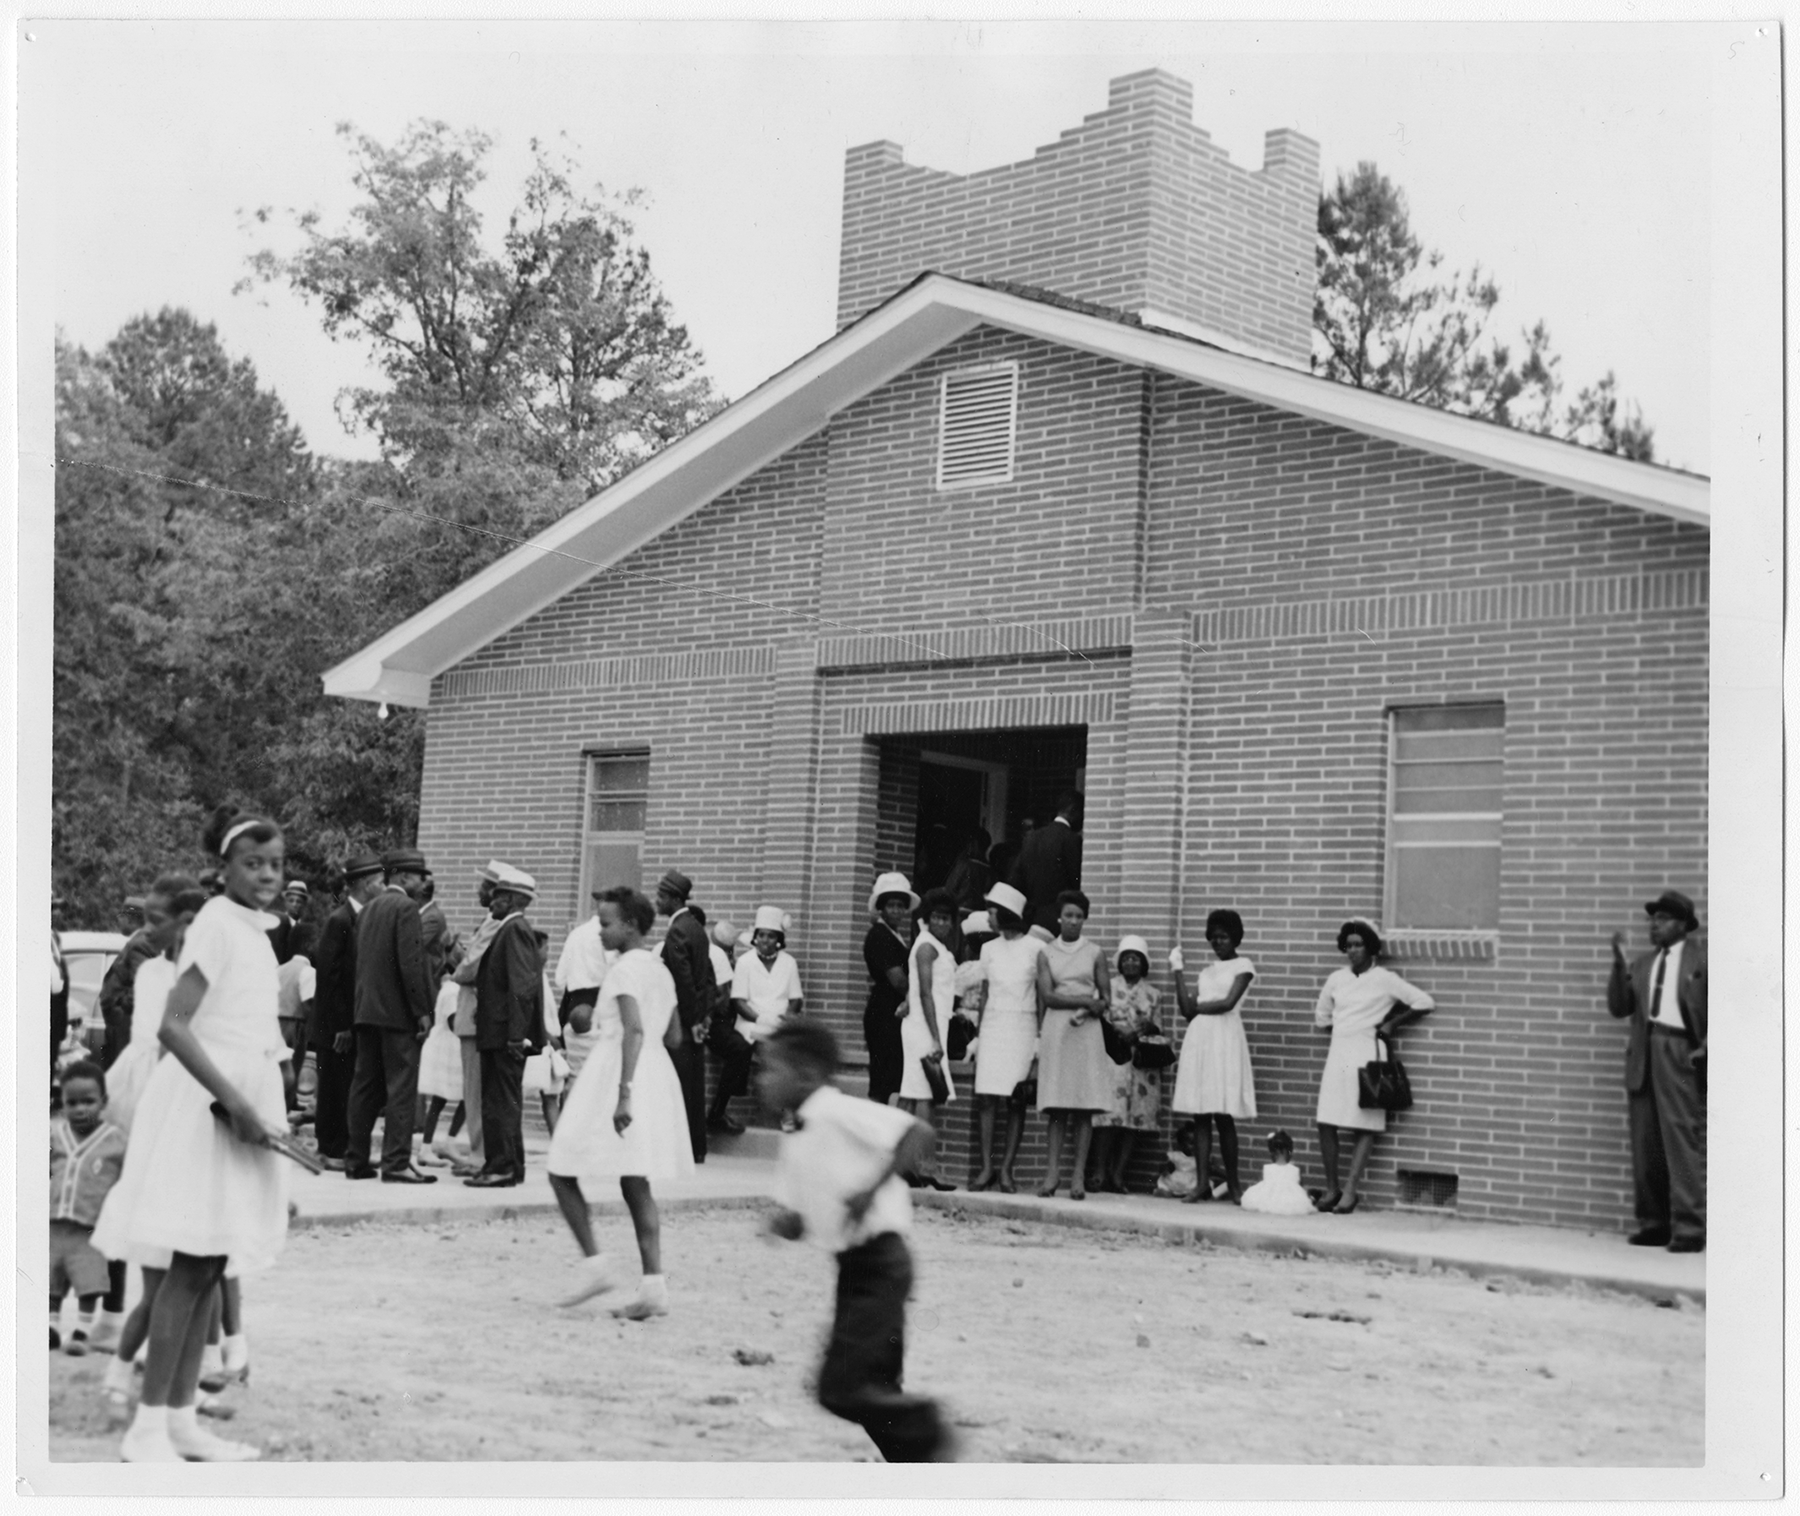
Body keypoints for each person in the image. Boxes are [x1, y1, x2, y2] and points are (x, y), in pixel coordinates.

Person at [91, 805, 293, 1462]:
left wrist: (262, 1105)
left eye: (275, 864)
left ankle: (180, 1420)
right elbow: (175, 1027)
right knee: (187, 1267)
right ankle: (148, 1427)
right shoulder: (214, 924)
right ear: (223, 868)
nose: (266, 875)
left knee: (210, 1264)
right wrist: (234, 1101)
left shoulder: (255, 933)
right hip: (204, 1107)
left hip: (241, 1103)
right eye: (252, 863)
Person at [758, 1019, 952, 1463]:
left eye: (771, 1069)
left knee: (839, 1389)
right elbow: (803, 1221)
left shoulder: (837, 1111)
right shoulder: (797, 1133)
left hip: (883, 1265)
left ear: (806, 1073)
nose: (761, 1080)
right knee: (876, 1391)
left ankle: (928, 1425)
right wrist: (783, 1225)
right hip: (855, 1270)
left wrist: (871, 1189)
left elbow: (917, 1133)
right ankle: (919, 1472)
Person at [549, 886, 694, 1319]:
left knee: (561, 1165)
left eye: (606, 922)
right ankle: (653, 1286)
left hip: (618, 1071)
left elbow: (632, 1031)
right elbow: (674, 1036)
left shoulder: (625, 970)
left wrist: (623, 1091)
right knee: (635, 1180)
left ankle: (595, 1265)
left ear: (631, 925)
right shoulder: (660, 969)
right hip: (654, 1071)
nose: (599, 931)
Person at [1312, 918, 1435, 1214]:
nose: (1353, 950)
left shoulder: (1384, 979)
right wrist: (1345, 1031)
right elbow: (1322, 1018)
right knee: (1326, 1120)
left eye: (1359, 945)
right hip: (1339, 1052)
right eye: (1349, 945)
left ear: (1370, 947)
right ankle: (1331, 1189)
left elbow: (1424, 1001)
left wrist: (1391, 1023)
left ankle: (1350, 1191)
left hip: (1369, 1052)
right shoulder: (1337, 979)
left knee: (1365, 1120)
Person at [1607, 889, 1708, 1252]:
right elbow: (1619, 1007)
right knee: (1645, 1142)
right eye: (1652, 919)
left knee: (1680, 1142)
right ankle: (1654, 1223)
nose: (1654, 925)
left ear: (1682, 925)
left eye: (1662, 919)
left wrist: (1705, 1048)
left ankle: (1690, 1229)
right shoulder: (1643, 963)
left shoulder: (1703, 959)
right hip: (1644, 1053)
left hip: (1679, 1050)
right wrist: (1619, 964)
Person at [345, 847, 437, 1184]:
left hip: (366, 1012)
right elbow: (410, 964)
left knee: (365, 1086)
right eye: (416, 875)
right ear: (399, 875)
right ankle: (396, 1162)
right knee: (401, 1088)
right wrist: (421, 1012)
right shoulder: (406, 908)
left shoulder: (368, 909)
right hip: (398, 1015)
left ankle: (356, 1160)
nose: (420, 881)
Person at [1169, 909, 1259, 1205]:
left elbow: (1228, 1003)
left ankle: (1234, 1186)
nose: (1218, 942)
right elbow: (1185, 1010)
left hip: (1224, 1040)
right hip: (1201, 1041)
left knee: (1224, 1115)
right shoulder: (1206, 972)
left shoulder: (1243, 965)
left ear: (1235, 937)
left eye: (1224, 936)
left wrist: (1199, 1007)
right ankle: (1201, 1184)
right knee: (1201, 1115)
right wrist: (1178, 971)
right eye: (1214, 937)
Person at [466, 864, 546, 1188]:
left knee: (500, 1103)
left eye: (498, 896)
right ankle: (510, 1167)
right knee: (504, 1102)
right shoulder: (512, 929)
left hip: (504, 1036)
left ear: (513, 900)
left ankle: (501, 1167)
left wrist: (516, 1035)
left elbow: (522, 987)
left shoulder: (514, 930)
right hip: (500, 1032)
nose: (491, 901)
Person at [1033, 889, 1111, 1199]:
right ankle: (1052, 1174)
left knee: (1082, 1107)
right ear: (1059, 917)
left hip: (1086, 1032)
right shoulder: (1046, 952)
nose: (1073, 921)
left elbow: (1105, 998)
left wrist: (1096, 1005)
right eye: (1068, 915)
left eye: (1079, 917)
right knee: (1056, 1105)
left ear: (1084, 919)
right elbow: (1048, 996)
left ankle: (1077, 1176)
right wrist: (1083, 1000)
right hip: (1057, 1029)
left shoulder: (1095, 953)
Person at [309, 852, 383, 1170]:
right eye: (379, 882)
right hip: (335, 1025)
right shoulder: (340, 920)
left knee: (347, 1084)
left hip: (351, 1022)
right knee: (333, 1087)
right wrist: (340, 1024)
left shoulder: (364, 918)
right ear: (365, 885)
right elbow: (329, 976)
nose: (383, 887)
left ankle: (342, 1146)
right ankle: (330, 1149)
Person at [50, 1061, 129, 1354]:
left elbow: (125, 1178)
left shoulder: (116, 1141)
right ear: (62, 1103)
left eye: (88, 1102)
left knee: (89, 1279)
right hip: (55, 1223)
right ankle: (50, 1326)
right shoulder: (55, 1135)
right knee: (51, 1278)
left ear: (103, 1102)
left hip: (90, 1227)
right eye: (72, 1103)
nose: (80, 1109)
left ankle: (82, 1331)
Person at [969, 883, 1041, 1193]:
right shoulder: (988, 949)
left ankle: (1007, 1170)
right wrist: (978, 1035)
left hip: (1022, 1027)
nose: (988, 917)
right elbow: (984, 994)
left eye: (992, 912)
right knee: (986, 1098)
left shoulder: (1036, 948)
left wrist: (1039, 1038)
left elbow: (1041, 996)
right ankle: (986, 1168)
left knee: (1015, 1101)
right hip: (994, 1027)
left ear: (1007, 914)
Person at [715, 907, 804, 1131]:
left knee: (797, 1050)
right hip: (751, 1023)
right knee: (773, 1049)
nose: (765, 940)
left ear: (779, 940)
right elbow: (739, 1001)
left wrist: (786, 1018)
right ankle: (787, 1112)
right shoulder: (745, 962)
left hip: (781, 1022)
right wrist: (762, 1019)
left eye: (771, 936)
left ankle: (792, 1107)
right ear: (755, 937)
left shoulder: (789, 962)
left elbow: (795, 1000)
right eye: (761, 935)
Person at [1089, 934, 1164, 1193]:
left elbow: (1160, 1033)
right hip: (1113, 1059)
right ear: (1119, 962)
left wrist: (1149, 1027)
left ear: (1144, 964)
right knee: (1107, 1118)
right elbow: (1098, 1021)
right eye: (1127, 958)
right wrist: (1118, 1031)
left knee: (1134, 1121)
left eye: (1137, 959)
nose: (1131, 963)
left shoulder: (1154, 994)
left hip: (1141, 1066)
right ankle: (1099, 1172)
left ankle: (1118, 1175)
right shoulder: (1107, 987)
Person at [896, 888, 958, 1192]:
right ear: (927, 919)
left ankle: (904, 1168)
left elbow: (916, 988)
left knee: (911, 1098)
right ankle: (925, 1169)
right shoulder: (927, 947)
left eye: (947, 918)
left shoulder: (934, 945)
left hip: (930, 1024)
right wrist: (935, 1038)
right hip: (925, 1028)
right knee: (925, 1098)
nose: (942, 923)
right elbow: (925, 992)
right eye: (937, 917)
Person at [655, 869, 712, 1164]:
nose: (657, 902)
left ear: (674, 899)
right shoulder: (697, 928)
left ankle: (685, 1148)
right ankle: (696, 1147)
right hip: (696, 1020)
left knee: (679, 1085)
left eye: (661, 897)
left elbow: (684, 980)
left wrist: (690, 1021)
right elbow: (707, 980)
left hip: (683, 1021)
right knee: (693, 1085)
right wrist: (702, 1018)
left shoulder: (678, 931)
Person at [861, 873, 917, 1109]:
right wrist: (916, 995)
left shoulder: (895, 935)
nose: (896, 910)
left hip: (893, 1011)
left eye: (900, 906)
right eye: (891, 905)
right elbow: (898, 980)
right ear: (881, 908)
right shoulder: (879, 935)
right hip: (884, 1011)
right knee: (883, 1076)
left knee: (892, 1075)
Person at [97, 899, 166, 1071]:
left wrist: (122, 1009)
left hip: (126, 1024)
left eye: (121, 916)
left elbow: (143, 982)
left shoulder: (139, 944)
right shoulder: (142, 941)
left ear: (130, 919)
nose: (118, 921)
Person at [1008, 791, 1084, 940]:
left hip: (1029, 919)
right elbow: (1076, 883)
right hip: (1057, 920)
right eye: (1082, 813)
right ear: (1073, 810)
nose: (1083, 820)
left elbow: (1015, 880)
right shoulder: (1071, 839)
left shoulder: (1031, 838)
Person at [275, 924, 317, 1115]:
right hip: (295, 1023)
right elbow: (307, 1003)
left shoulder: (280, 969)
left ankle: (287, 1103)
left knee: (277, 1066)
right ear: (308, 945)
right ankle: (283, 1107)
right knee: (294, 1065)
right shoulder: (308, 972)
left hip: (276, 1023)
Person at [1239, 1129, 1316, 1216]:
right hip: (1289, 1201)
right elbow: (1300, 1187)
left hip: (1269, 1199)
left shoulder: (1267, 1168)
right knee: (1305, 1199)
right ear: (1290, 1152)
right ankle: (1312, 1198)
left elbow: (1262, 1183)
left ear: (1272, 1153)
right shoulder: (1295, 1169)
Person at [941, 829, 993, 915]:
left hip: (960, 913)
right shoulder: (990, 871)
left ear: (974, 844)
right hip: (979, 915)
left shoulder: (964, 865)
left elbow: (949, 889)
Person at [418, 876, 454, 987]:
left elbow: (417, 946)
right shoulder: (428, 914)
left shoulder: (431, 917)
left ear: (420, 894)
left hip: (429, 977)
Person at [51, 893, 69, 1098]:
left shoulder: (55, 936)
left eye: (56, 909)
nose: (56, 914)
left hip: (56, 1011)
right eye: (52, 909)